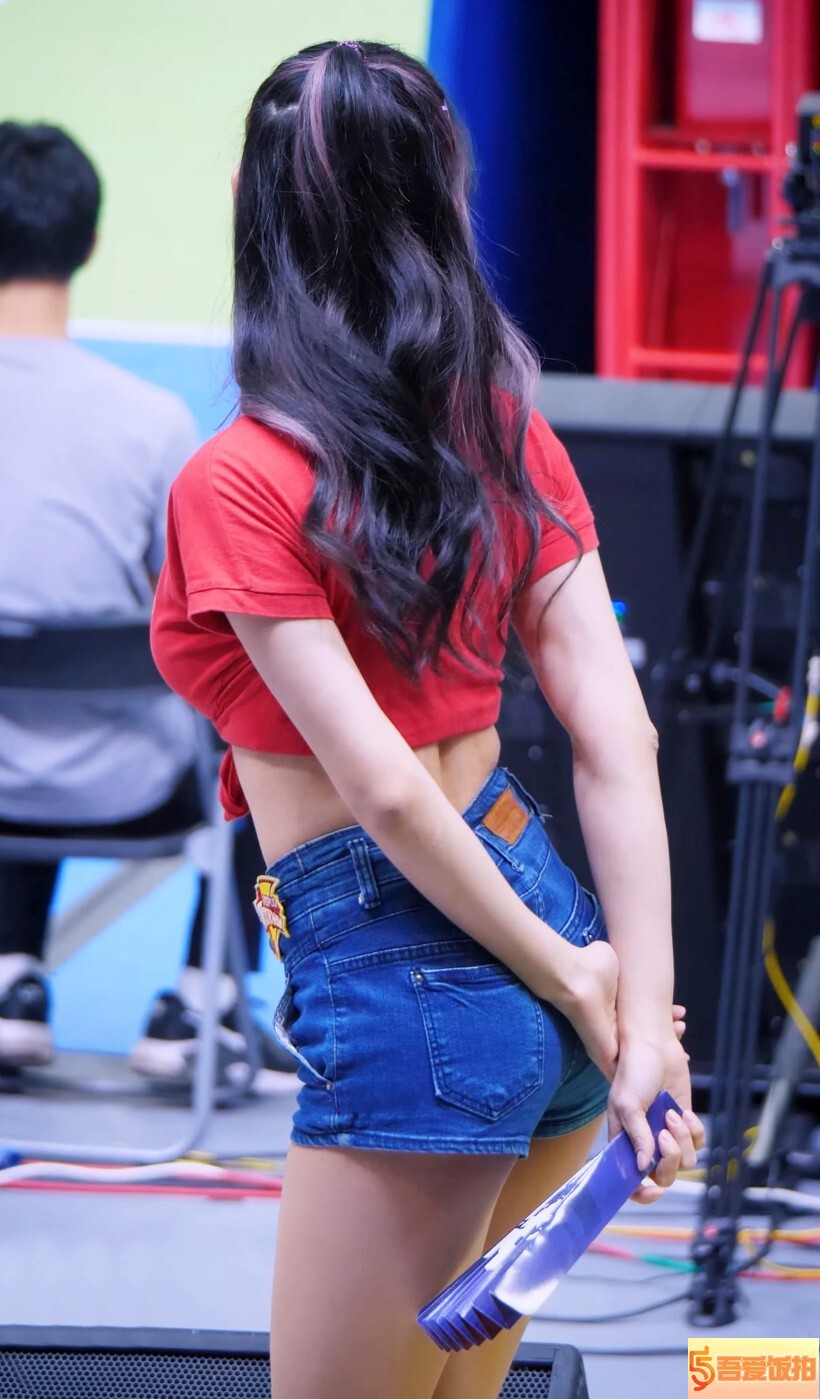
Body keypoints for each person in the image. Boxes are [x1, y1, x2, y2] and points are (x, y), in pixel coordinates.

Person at [150, 41, 705, 1399]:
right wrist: (634, 1008)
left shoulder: (238, 478)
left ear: (258, 210)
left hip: (414, 967)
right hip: (540, 904)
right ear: (441, 201)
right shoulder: (507, 432)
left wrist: (585, 986)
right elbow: (617, 739)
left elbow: (388, 794)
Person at [0, 120, 295, 1093]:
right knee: (280, 695)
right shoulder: (153, 423)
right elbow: (206, 622)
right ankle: (205, 993)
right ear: (89, 243)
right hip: (129, 785)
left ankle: (9, 973)